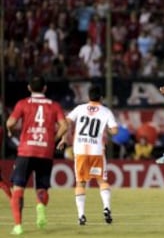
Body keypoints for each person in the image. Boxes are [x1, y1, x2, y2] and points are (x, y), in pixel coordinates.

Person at [6, 75, 68, 235]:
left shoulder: (23, 103)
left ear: (29, 88)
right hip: (45, 151)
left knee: (18, 188)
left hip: (26, 150)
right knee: (41, 187)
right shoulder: (54, 105)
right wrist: (52, 140)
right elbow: (64, 125)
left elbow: (10, 123)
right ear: (45, 89)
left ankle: (18, 225)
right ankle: (40, 207)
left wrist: (11, 131)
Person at [57, 85, 118, 225]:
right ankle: (107, 208)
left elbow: (66, 123)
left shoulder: (80, 108)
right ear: (101, 98)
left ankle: (81, 216)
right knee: (102, 180)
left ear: (88, 97)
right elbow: (114, 131)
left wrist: (64, 138)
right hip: (97, 150)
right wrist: (107, 131)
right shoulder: (106, 112)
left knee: (80, 182)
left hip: (80, 151)